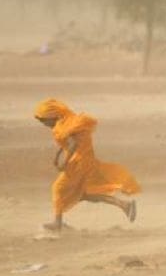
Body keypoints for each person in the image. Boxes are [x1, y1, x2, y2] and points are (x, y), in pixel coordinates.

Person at [34, 98, 140, 231]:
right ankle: (124, 205)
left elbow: (73, 144)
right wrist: (58, 154)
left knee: (58, 188)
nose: (43, 124)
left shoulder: (62, 126)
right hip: (85, 160)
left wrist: (64, 163)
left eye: (44, 120)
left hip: (79, 162)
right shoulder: (65, 123)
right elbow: (67, 141)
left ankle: (57, 223)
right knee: (83, 193)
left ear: (52, 116)